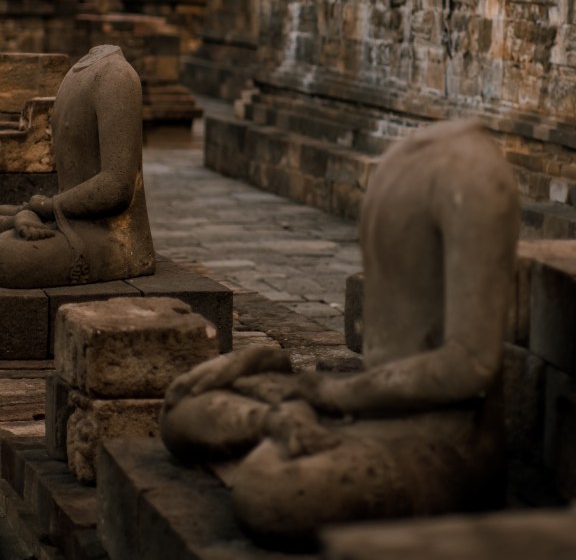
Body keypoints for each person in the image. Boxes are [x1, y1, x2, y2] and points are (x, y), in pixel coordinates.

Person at [160, 119, 519, 543]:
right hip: (370, 403)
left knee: (270, 491)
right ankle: (275, 421)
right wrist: (286, 377)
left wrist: (329, 394)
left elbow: (469, 365)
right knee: (181, 406)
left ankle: (280, 428)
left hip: (443, 436)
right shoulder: (406, 158)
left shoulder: (475, 172)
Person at [0, 45, 155, 288]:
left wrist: (49, 207)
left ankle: (25, 217)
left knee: (7, 256)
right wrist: (35, 210)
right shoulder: (76, 74)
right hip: (69, 219)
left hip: (114, 237)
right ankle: (23, 216)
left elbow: (117, 186)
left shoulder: (117, 77)